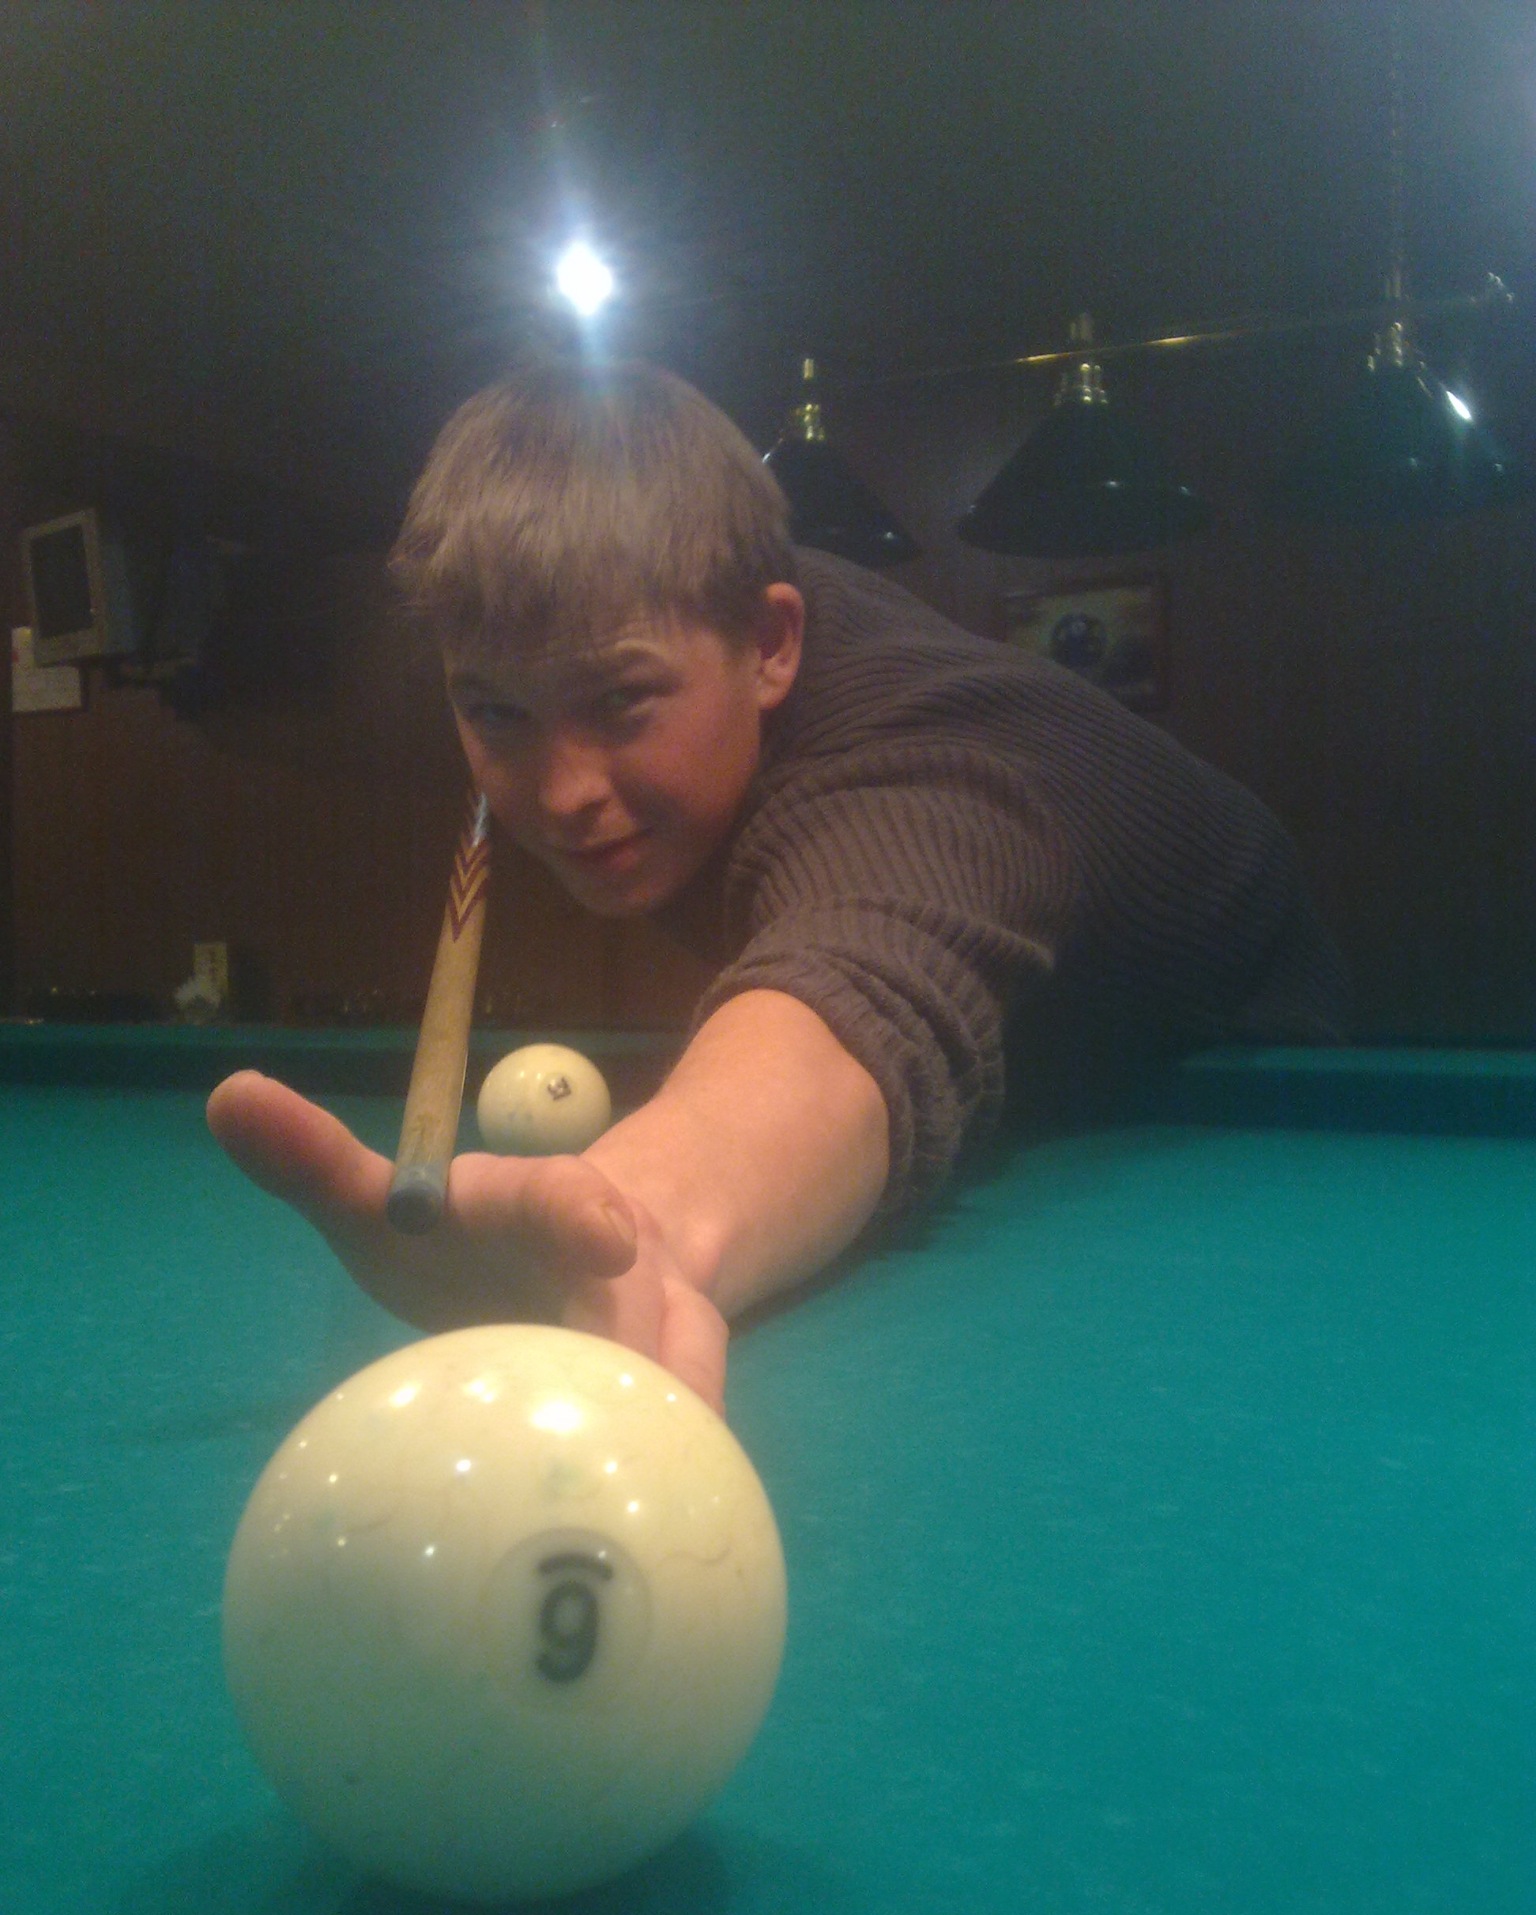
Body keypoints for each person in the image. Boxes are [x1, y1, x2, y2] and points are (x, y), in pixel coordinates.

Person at [208, 358, 1345, 1413]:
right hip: (1027, 1068)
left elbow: (856, 975)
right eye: (497, 710)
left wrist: (633, 1224)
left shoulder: (927, 756)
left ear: (770, 643)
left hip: (1255, 1084)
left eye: (620, 702)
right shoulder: (697, 627)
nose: (561, 794)